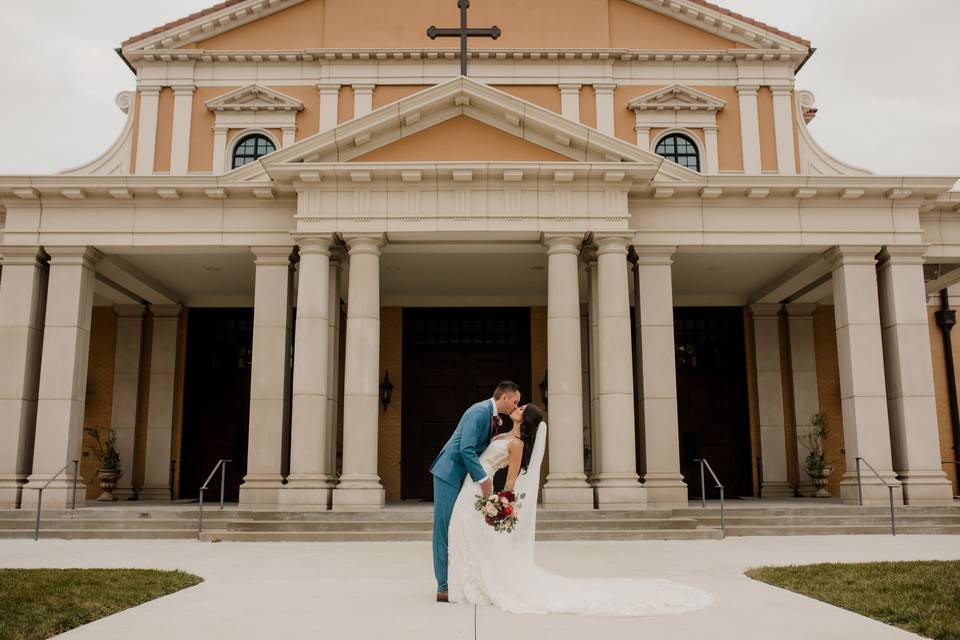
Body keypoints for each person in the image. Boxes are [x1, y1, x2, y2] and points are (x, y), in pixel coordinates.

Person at [444, 403, 715, 616]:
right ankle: (467, 584)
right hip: (472, 488)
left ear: (525, 420)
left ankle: (477, 586)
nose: (518, 407)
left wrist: (501, 501)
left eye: (522, 409)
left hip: (481, 492)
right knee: (463, 532)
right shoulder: (502, 434)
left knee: (470, 531)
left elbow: (512, 478)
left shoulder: (516, 445)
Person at [429, 380, 521, 603]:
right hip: (449, 473)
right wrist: (483, 480)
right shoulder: (479, 412)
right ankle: (443, 586)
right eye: (515, 401)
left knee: (458, 526)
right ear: (505, 397)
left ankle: (458, 577)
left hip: (463, 477)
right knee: (443, 528)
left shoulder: (493, 418)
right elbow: (466, 448)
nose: (516, 405)